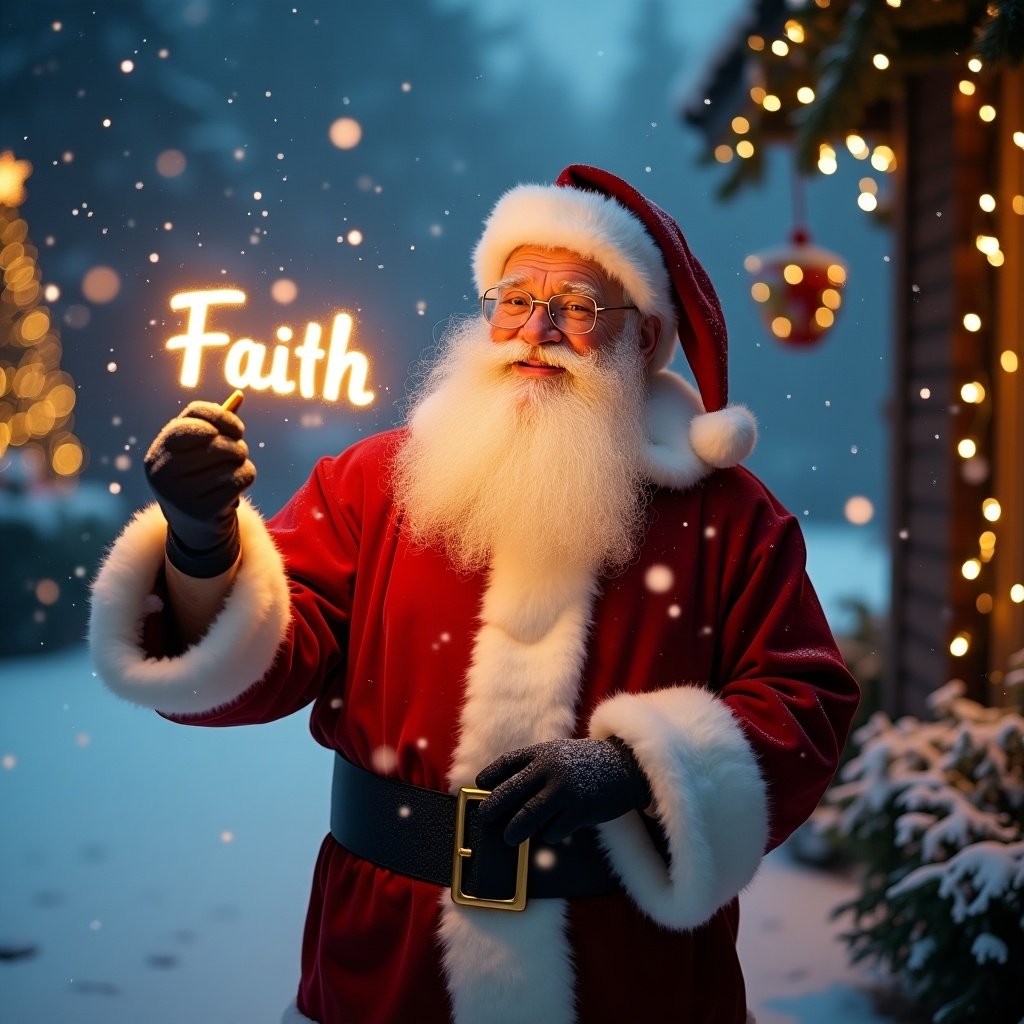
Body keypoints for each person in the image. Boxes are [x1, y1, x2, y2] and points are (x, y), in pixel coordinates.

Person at [90, 164, 860, 1024]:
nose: (535, 331)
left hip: (625, 967)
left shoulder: (727, 515)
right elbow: (260, 667)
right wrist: (203, 541)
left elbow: (806, 702)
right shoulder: (377, 483)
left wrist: (639, 767)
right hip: (389, 958)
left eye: (574, 305)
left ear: (644, 339)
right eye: (514, 299)